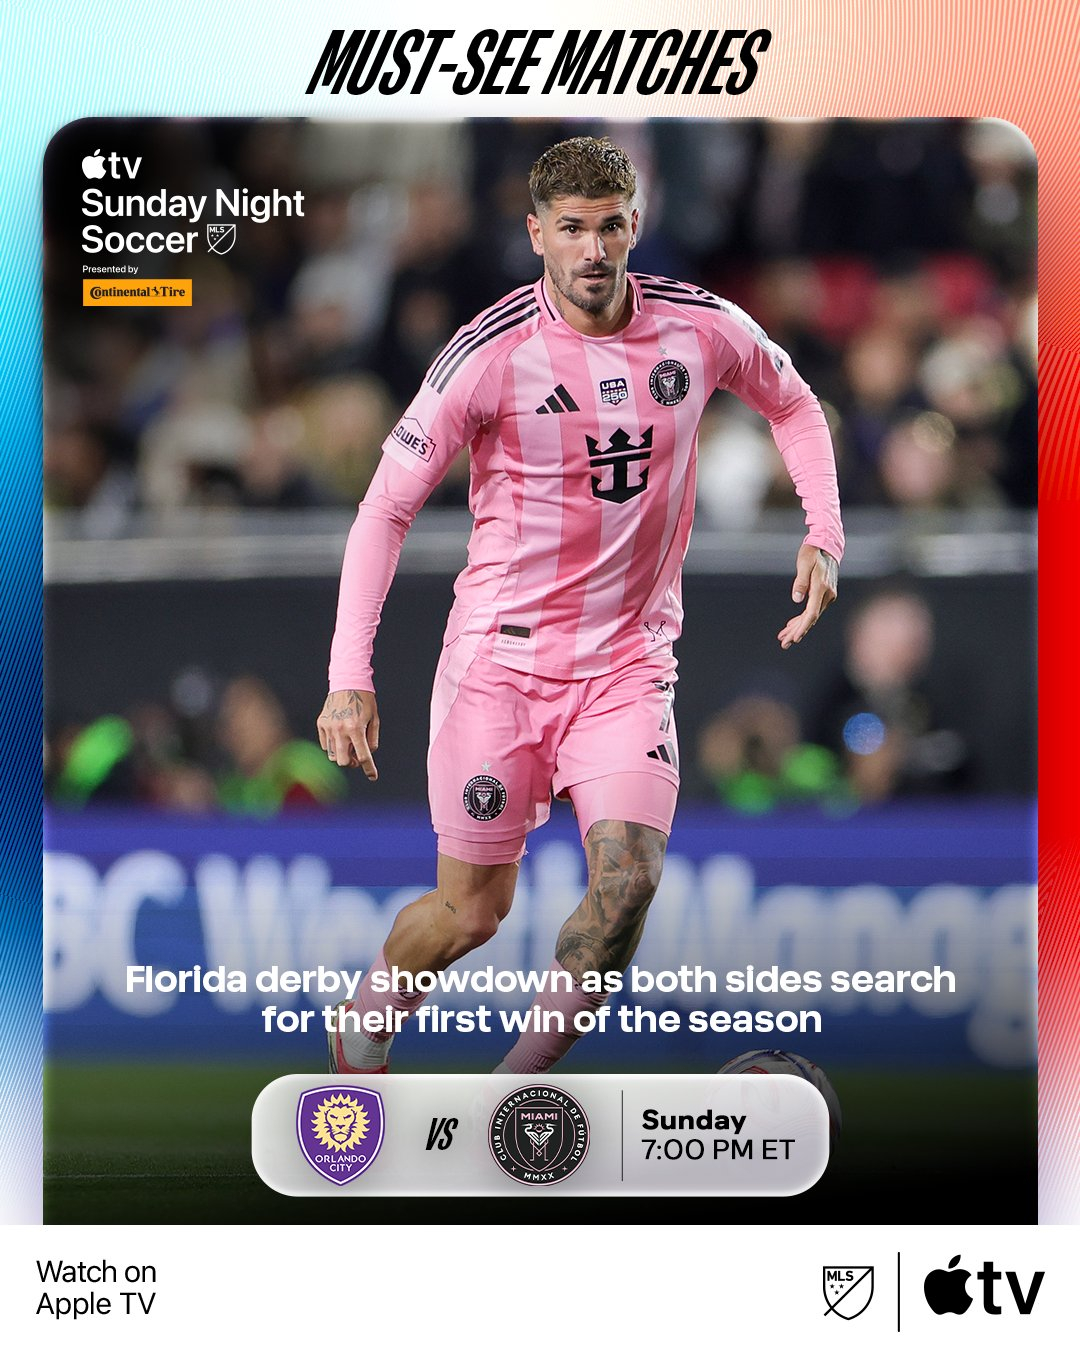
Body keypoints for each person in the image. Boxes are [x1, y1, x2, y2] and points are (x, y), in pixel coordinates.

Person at [317, 136, 844, 1074]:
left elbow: (795, 405)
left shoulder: (703, 327)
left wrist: (823, 532)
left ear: (635, 224)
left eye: (609, 227)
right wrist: (348, 675)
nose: (592, 251)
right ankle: (365, 1024)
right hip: (501, 665)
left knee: (627, 881)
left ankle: (508, 1098)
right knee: (470, 913)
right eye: (571, 229)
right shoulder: (487, 353)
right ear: (536, 235)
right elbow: (385, 508)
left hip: (629, 665)